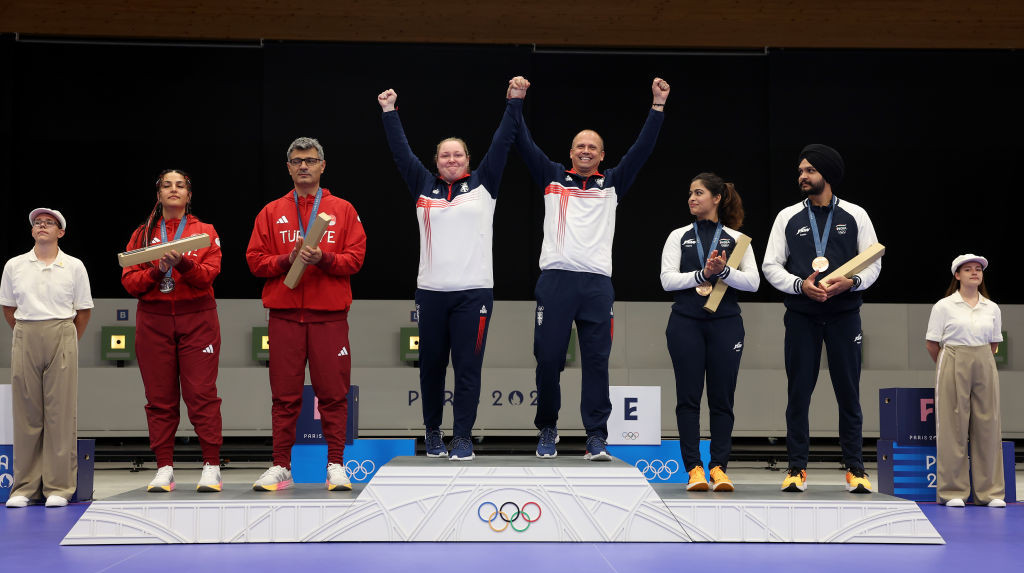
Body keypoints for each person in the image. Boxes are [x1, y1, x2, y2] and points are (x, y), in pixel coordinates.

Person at [515, 78, 670, 459]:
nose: (586, 151)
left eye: (593, 148)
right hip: (555, 281)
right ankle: (548, 429)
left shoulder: (612, 183)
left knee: (597, 363)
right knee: (548, 359)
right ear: (571, 152)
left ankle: (596, 436)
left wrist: (657, 107)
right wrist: (515, 102)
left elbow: (642, 150)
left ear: (602, 155)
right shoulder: (552, 177)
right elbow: (522, 142)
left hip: (597, 284)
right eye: (580, 146)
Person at [377, 77, 528, 461]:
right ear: (436, 161)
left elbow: (503, 143)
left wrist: (514, 101)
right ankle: (432, 432)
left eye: (457, 155)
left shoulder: (484, 185)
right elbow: (400, 153)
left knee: (467, 368)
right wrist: (390, 112)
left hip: (474, 293)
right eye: (445, 155)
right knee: (430, 368)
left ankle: (461, 436)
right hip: (430, 292)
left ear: (468, 160)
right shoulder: (422, 186)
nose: (451, 160)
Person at [246, 137, 366, 491]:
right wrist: (288, 259)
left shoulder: (342, 210)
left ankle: (336, 465)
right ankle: (281, 465)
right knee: (284, 395)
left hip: (329, 316)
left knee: (333, 393)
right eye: (297, 161)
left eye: (310, 160)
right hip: (284, 316)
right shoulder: (271, 211)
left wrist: (323, 258)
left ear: (322, 165)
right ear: (288, 167)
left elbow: (355, 259)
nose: (303, 166)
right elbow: (254, 261)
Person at [762, 144, 881, 493]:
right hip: (802, 316)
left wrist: (853, 282)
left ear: (826, 174)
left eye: (809, 170)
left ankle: (856, 469)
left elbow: (873, 261)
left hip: (845, 316)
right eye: (800, 171)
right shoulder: (787, 217)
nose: (802, 176)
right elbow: (771, 265)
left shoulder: (856, 215)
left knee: (849, 394)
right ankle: (796, 468)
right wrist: (800, 286)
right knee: (798, 394)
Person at [121, 170, 224, 493]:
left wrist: (183, 265)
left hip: (198, 320)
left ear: (189, 195)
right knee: (159, 399)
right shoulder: (142, 235)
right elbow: (130, 282)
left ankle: (211, 465)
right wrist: (157, 270)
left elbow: (209, 275)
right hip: (154, 321)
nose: (174, 190)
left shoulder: (204, 232)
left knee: (201, 395)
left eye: (180, 185)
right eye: (167, 185)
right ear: (158, 194)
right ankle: (164, 467)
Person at [660, 173, 759, 491]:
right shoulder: (678, 236)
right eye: (689, 193)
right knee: (687, 399)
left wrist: (725, 271)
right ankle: (694, 469)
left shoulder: (737, 240)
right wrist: (703, 273)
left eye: (699, 193)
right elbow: (667, 280)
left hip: (726, 324)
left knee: (722, 399)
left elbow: (754, 283)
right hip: (685, 323)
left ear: (716, 198)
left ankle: (719, 467)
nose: (691, 198)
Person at [2, 208, 93, 508]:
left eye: (49, 223)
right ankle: (25, 487)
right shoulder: (15, 266)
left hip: (62, 331)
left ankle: (59, 486)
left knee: (60, 413)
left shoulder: (74, 266)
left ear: (60, 232)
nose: (42, 227)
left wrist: (66, 339)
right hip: (26, 331)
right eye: (37, 224)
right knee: (27, 413)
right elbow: (9, 308)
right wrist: (26, 333)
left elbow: (83, 311)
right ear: (32, 232)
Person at [925, 254, 1005, 508]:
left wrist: (979, 359)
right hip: (953, 356)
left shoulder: (991, 307)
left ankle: (990, 492)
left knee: (988, 424)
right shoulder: (944, 306)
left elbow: (993, 343)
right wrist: (950, 364)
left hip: (983, 357)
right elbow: (932, 343)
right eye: (968, 269)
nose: (974, 272)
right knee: (952, 425)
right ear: (957, 275)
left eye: (978, 269)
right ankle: (953, 491)